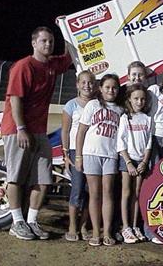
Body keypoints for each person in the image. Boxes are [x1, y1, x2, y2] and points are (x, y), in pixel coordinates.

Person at [1, 25, 72, 240]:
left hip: (40, 131)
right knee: (16, 177)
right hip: (17, 129)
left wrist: (66, 28)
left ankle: (32, 221)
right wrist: (21, 129)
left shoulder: (52, 65)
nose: (48, 44)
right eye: (44, 41)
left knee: (43, 178)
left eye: (51, 41)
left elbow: (70, 56)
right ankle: (17, 222)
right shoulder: (23, 66)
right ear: (34, 43)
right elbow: (15, 100)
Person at [75, 74, 123, 247]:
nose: (111, 90)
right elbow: (81, 132)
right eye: (107, 87)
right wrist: (78, 156)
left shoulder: (120, 109)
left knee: (108, 192)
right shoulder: (93, 105)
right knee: (94, 193)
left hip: (110, 155)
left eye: (114, 87)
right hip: (91, 154)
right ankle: (96, 232)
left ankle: (108, 231)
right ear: (100, 88)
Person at [61, 70, 96, 241]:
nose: (87, 85)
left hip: (92, 152)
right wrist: (66, 153)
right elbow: (65, 131)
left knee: (90, 191)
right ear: (77, 84)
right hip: (76, 152)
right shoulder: (71, 105)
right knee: (77, 189)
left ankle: (83, 225)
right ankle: (72, 226)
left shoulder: (98, 104)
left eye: (90, 82)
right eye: (83, 82)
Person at [117, 84, 152, 244]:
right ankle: (125, 227)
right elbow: (120, 142)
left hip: (141, 162)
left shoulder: (147, 119)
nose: (139, 102)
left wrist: (144, 161)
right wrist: (129, 163)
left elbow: (149, 143)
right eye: (136, 98)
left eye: (142, 99)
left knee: (137, 193)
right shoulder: (125, 118)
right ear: (129, 99)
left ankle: (134, 225)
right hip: (128, 160)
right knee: (126, 193)